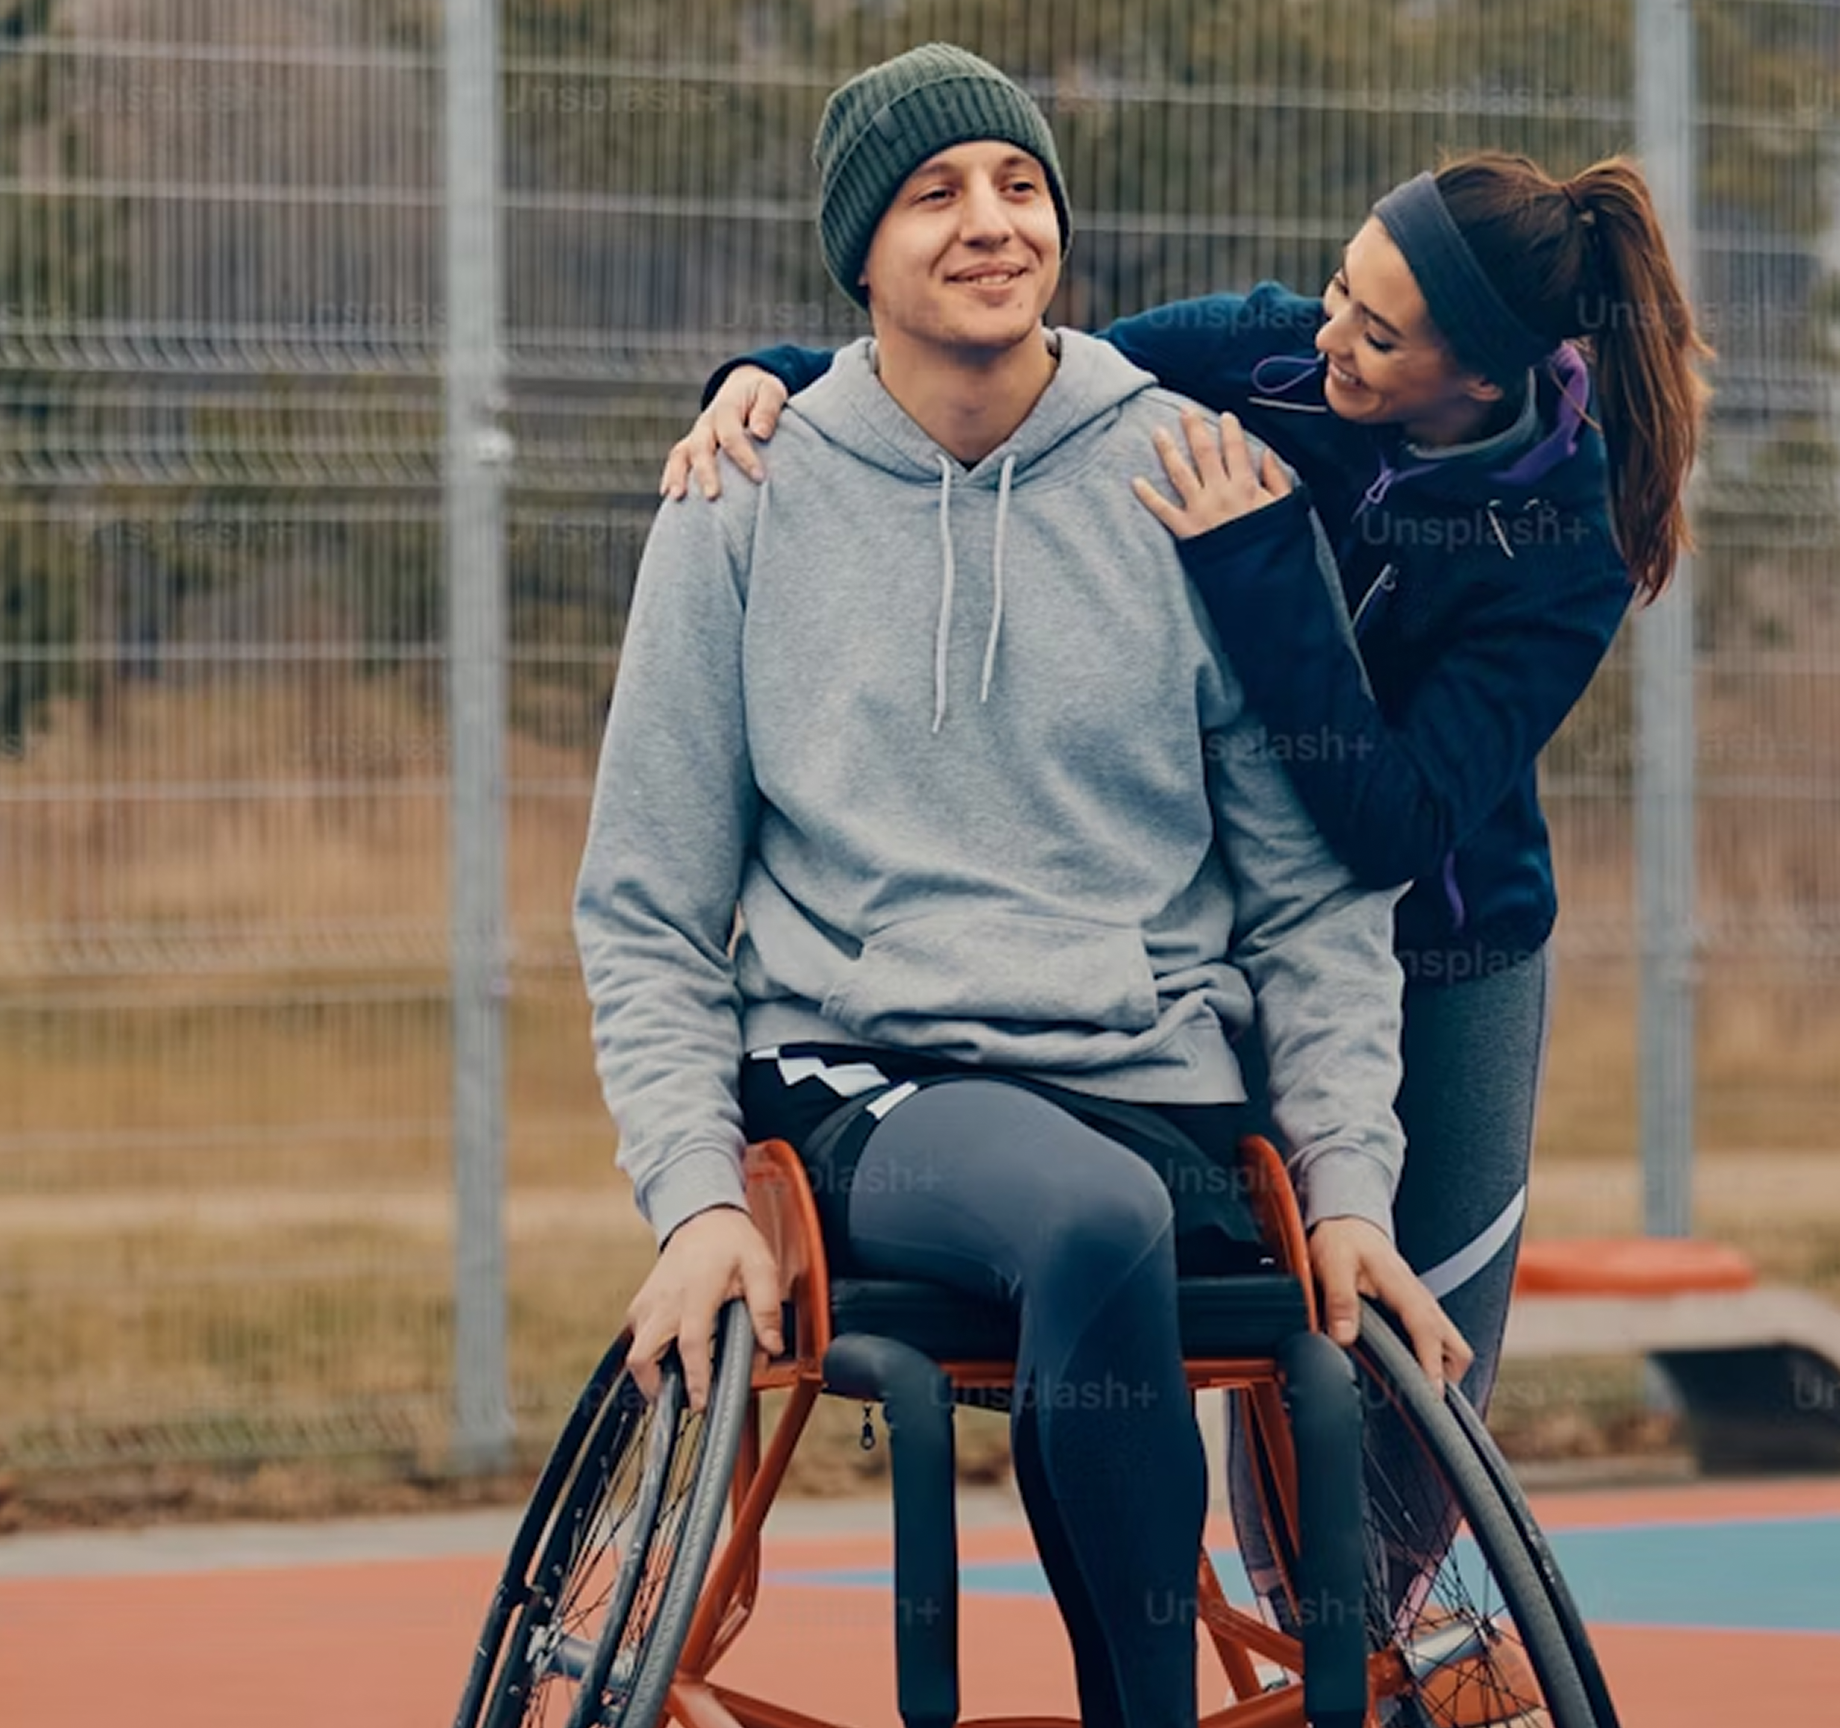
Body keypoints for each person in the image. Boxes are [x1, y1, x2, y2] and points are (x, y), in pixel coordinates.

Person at [574, 43, 1472, 1728]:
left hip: (1159, 1082)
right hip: (869, 1091)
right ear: (860, 253)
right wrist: (685, 1197)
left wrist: (1358, 1186)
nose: (993, 224)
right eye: (936, 195)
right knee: (1089, 1214)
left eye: (1020, 184)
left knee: (1129, 1204)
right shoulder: (741, 497)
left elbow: (1313, 905)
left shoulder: (1198, 482)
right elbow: (649, 910)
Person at [663, 146, 1715, 1635]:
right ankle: (1240, 1655)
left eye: (1377, 334)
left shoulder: (1564, 540)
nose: (1330, 338)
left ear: (1480, 382)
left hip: (1441, 947)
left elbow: (1390, 822)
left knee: (1398, 1396)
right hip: (1233, 937)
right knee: (1235, 1303)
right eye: (1343, 290)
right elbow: (1016, 378)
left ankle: (1374, 1684)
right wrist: (761, 379)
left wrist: (1260, 563)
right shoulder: (1262, 350)